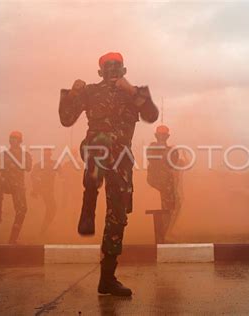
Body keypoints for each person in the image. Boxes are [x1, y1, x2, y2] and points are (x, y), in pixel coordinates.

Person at [59, 52, 158, 296]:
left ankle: (107, 278)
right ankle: (89, 202)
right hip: (95, 149)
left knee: (118, 217)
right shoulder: (90, 91)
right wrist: (71, 94)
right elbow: (66, 119)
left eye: (117, 67)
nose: (112, 71)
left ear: (124, 70)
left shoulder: (134, 93)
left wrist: (132, 91)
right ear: (101, 71)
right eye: (108, 67)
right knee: (100, 142)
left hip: (121, 161)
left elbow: (152, 116)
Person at [0, 131, 32, 243]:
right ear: (9, 140)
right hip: (6, 184)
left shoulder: (25, 155)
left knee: (22, 210)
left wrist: (17, 162)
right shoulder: (3, 155)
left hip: (18, 186)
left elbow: (29, 168)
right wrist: (0, 176)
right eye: (12, 138)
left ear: (20, 141)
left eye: (16, 138)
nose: (13, 140)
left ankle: (13, 238)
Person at [146, 125, 180, 238]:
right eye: (160, 135)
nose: (161, 137)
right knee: (165, 210)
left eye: (163, 135)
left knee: (169, 210)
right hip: (156, 185)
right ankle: (162, 235)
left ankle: (164, 234)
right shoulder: (152, 148)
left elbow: (173, 163)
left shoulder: (171, 150)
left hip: (166, 186)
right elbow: (154, 159)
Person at [30, 148, 58, 234]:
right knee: (52, 209)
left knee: (51, 209)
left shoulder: (53, 164)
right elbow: (33, 176)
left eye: (48, 155)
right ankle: (43, 229)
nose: (47, 156)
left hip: (48, 190)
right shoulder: (40, 165)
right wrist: (36, 188)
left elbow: (63, 174)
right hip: (45, 190)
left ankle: (43, 228)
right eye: (46, 155)